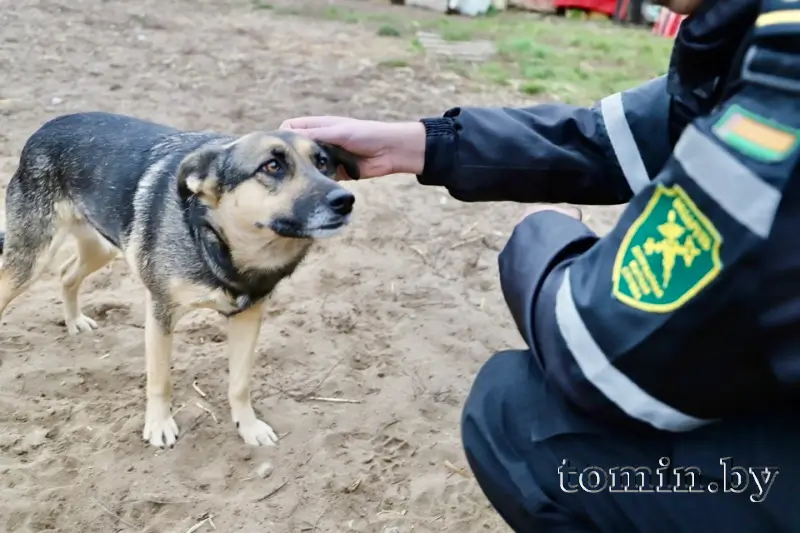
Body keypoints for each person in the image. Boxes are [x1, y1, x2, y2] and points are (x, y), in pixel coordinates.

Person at [282, 0, 800, 530]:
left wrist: (545, 232)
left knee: (517, 416)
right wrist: (424, 143)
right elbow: (611, 136)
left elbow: (598, 351)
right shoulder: (751, 29)